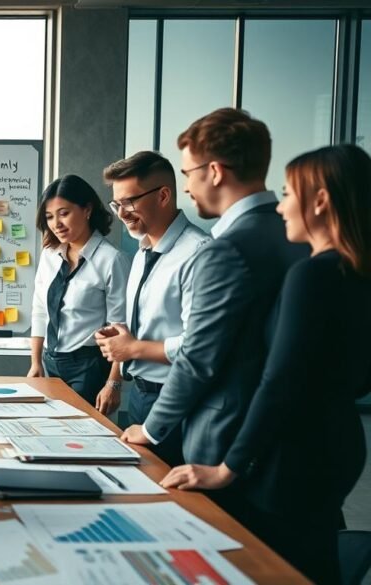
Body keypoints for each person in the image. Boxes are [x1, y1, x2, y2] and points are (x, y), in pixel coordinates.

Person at [161, 144, 371, 584]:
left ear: (320, 201)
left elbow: (279, 382)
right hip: (341, 442)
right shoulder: (354, 272)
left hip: (295, 454)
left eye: (288, 193)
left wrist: (227, 468)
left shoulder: (312, 274)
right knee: (313, 560)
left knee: (278, 569)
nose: (280, 207)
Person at [120, 108, 307, 517]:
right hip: (299, 439)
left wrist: (150, 430)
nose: (187, 186)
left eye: (188, 173)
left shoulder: (225, 250)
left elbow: (198, 358)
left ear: (216, 171)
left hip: (229, 441)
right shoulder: (300, 236)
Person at [95, 151, 210, 467]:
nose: (122, 214)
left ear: (163, 196)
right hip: (140, 396)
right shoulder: (142, 252)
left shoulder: (198, 254)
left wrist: (133, 347)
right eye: (116, 204)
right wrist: (122, 340)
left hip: (178, 401)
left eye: (129, 202)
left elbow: (199, 346)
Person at [29, 174, 130, 413]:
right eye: (49, 217)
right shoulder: (50, 255)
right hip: (51, 361)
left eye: (64, 213)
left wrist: (113, 383)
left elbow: (121, 327)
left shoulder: (111, 259)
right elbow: (40, 310)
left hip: (89, 366)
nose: (56, 224)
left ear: (87, 210)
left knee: (78, 431)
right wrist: (35, 361)